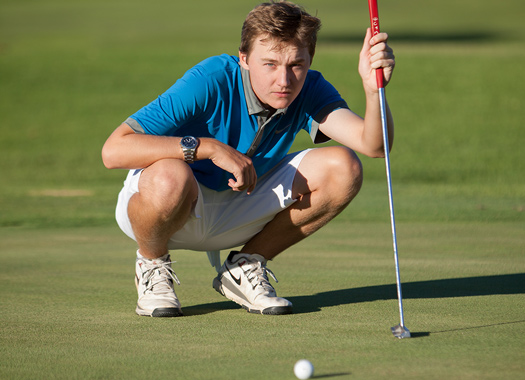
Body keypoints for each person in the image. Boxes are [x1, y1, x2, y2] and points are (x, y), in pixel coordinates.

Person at [102, 0, 395, 317]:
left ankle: (246, 266)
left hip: (242, 203)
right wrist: (210, 148)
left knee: (344, 167)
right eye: (269, 64)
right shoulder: (210, 79)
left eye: (296, 65)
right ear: (244, 58)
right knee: (169, 176)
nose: (284, 80)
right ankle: (153, 263)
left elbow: (374, 145)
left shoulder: (309, 88)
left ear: (310, 60)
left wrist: (372, 89)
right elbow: (114, 150)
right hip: (172, 204)